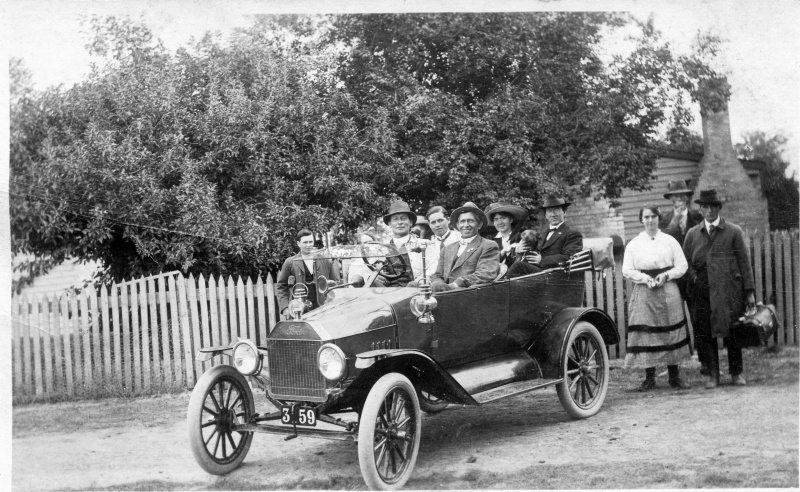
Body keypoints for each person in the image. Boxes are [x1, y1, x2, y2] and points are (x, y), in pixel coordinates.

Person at [683, 189, 756, 389]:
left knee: (733, 331)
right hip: (703, 290)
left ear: (719, 208)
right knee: (706, 333)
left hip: (729, 290)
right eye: (705, 207)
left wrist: (749, 292)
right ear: (700, 209)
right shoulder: (692, 234)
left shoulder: (733, 231)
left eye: (714, 206)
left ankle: (736, 372)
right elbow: (685, 262)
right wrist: (695, 278)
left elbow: (744, 262)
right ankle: (713, 375)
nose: (709, 211)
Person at [622, 205, 691, 391]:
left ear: (659, 218)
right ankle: (649, 378)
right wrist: (644, 278)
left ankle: (674, 376)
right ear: (641, 220)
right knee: (647, 333)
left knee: (671, 332)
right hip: (644, 291)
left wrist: (666, 275)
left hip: (667, 289)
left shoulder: (669, 241)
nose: (650, 220)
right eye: (646, 217)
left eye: (653, 216)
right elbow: (627, 269)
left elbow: (682, 265)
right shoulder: (634, 244)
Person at [659, 179, 707, 372]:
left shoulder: (698, 217)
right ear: (670, 199)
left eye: (681, 196)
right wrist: (674, 221)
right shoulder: (664, 220)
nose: (678, 200)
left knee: (699, 317)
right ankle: (680, 359)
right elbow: (663, 242)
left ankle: (704, 360)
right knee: (675, 319)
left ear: (687, 197)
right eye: (674, 196)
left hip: (694, 275)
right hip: (674, 278)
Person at [428, 202, 500, 292]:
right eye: (462, 221)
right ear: (458, 225)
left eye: (470, 221)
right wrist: (438, 285)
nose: (466, 225)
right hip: (445, 295)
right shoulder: (447, 249)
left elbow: (486, 273)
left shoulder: (488, 245)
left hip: (470, 294)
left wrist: (455, 285)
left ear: (480, 224)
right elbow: (437, 275)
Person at [506, 192, 583, 276]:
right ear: (546, 215)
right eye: (549, 211)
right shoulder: (542, 234)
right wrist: (518, 250)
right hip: (540, 275)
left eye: (557, 210)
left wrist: (542, 260)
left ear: (564, 213)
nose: (553, 215)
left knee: (518, 267)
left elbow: (570, 257)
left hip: (557, 276)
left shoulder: (572, 234)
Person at [276, 228, 341, 318]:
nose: (308, 245)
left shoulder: (324, 261)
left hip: (322, 308)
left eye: (311, 242)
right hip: (299, 310)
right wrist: (285, 308)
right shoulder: (290, 262)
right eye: (305, 242)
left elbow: (335, 283)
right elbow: (281, 287)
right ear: (298, 244)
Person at [379, 200, 424, 287]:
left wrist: (417, 283)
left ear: (410, 222)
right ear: (390, 223)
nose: (400, 222)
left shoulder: (422, 244)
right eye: (395, 219)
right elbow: (362, 266)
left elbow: (432, 270)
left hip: (414, 291)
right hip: (386, 292)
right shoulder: (382, 247)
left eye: (403, 218)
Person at [484, 203, 529, 268]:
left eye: (503, 218)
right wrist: (504, 251)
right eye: (496, 219)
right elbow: (488, 262)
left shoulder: (520, 237)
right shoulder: (490, 239)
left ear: (510, 220)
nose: (500, 222)